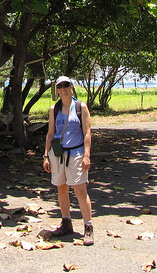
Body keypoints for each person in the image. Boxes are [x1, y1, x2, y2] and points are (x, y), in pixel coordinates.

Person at [42, 75, 93, 245]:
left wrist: (86, 155)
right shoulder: (54, 109)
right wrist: (46, 156)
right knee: (61, 188)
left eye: (66, 85)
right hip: (58, 154)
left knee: (80, 190)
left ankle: (88, 227)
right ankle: (66, 223)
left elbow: (87, 133)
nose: (63, 89)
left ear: (71, 87)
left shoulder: (80, 107)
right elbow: (50, 134)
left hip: (76, 153)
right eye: (59, 86)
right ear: (56, 89)